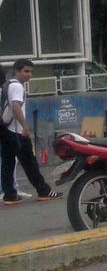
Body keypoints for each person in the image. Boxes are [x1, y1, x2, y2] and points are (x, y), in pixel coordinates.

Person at [1, 59, 55, 203]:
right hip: (17, 132)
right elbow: (16, 107)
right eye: (26, 71)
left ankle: (10, 195)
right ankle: (44, 191)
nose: (29, 75)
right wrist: (25, 126)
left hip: (5, 130)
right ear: (17, 71)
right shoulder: (17, 87)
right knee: (30, 163)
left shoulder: (7, 85)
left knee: (7, 163)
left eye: (31, 72)